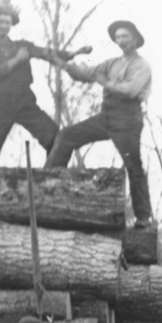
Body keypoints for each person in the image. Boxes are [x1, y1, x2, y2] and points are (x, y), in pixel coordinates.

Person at [44, 20, 153, 228]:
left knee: (133, 165)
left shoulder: (142, 65)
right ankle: (45, 187)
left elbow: (129, 91)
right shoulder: (111, 63)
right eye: (118, 37)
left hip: (128, 119)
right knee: (66, 136)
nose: (121, 41)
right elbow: (85, 73)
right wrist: (63, 64)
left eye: (125, 37)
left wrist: (104, 82)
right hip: (107, 115)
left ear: (135, 39)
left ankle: (143, 218)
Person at [0, 2, 90, 167]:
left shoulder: (22, 46)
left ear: (11, 25)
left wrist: (72, 53)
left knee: (54, 138)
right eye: (0, 21)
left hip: (23, 100)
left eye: (7, 22)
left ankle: (51, 179)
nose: (3, 26)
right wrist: (17, 60)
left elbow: (46, 53)